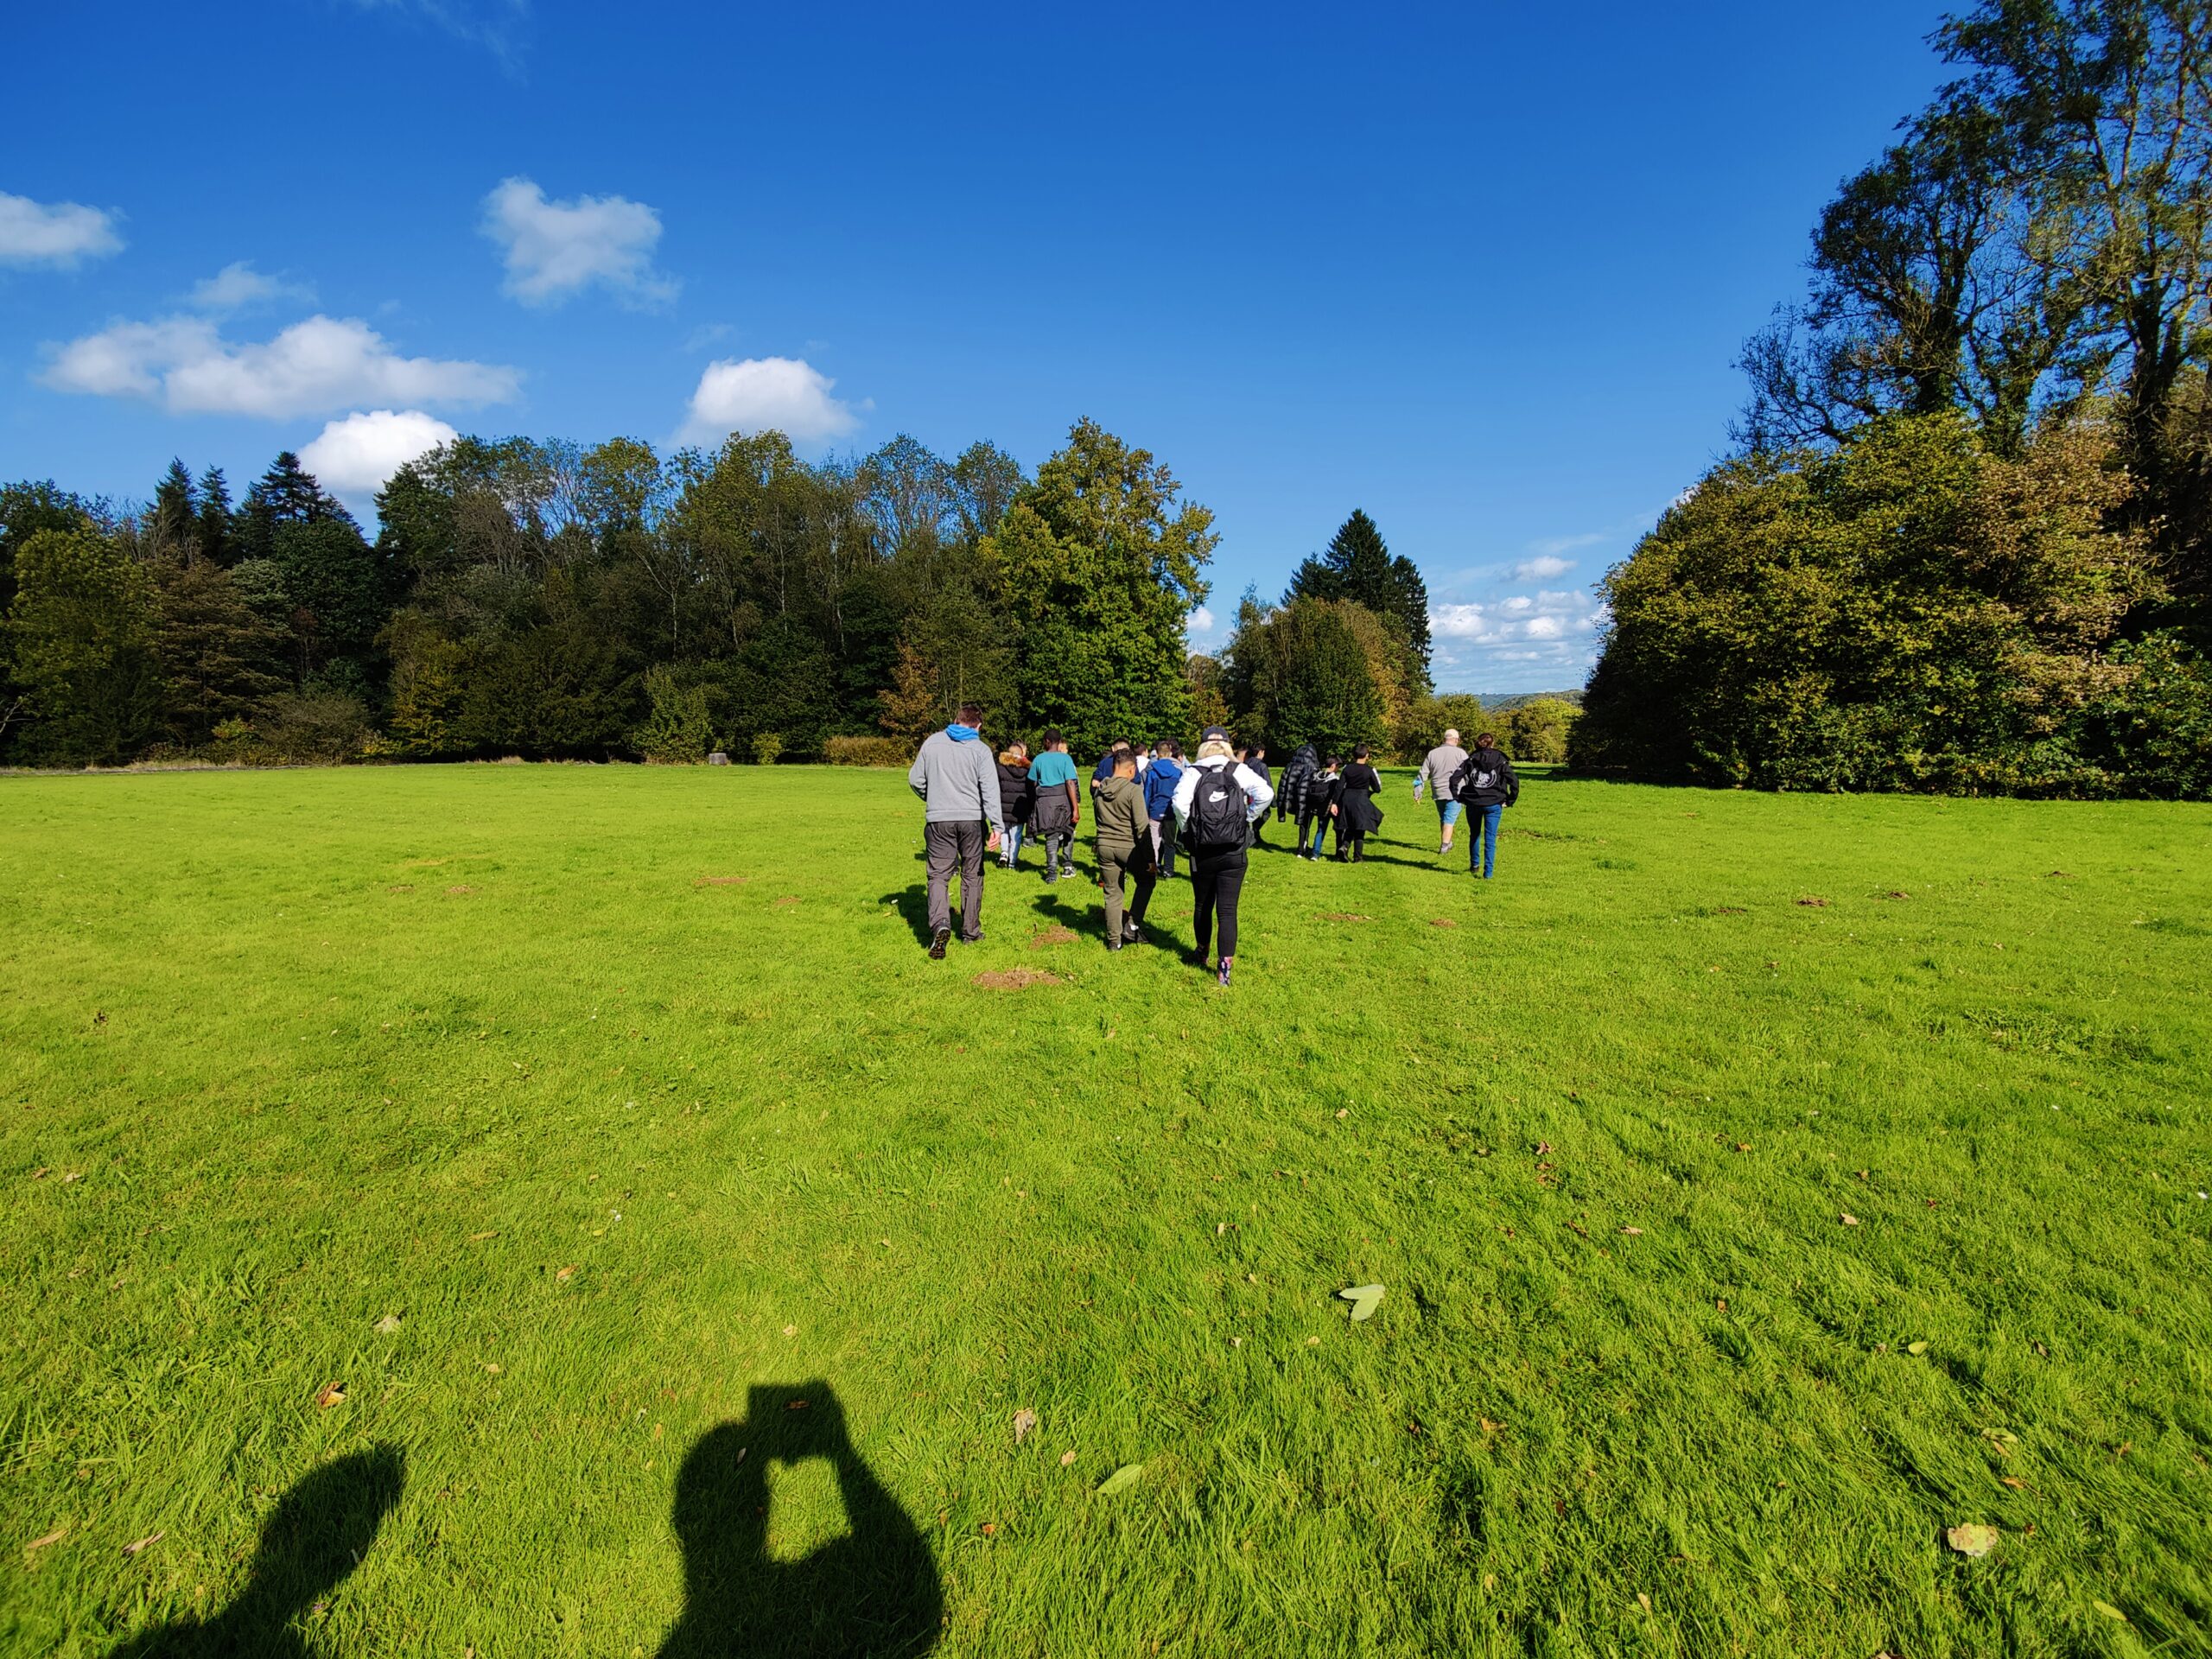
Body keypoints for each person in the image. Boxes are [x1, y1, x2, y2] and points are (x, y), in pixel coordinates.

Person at [1172, 726, 1274, 987]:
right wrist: (1246, 819)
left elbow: (1178, 803)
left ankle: (1201, 953)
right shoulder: (1238, 769)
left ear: (1203, 745)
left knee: (1202, 906)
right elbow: (1266, 794)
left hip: (1203, 850)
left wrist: (1188, 829)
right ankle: (1224, 972)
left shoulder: (1193, 771)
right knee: (1228, 911)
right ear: (1227, 745)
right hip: (1234, 849)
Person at [907, 702, 1005, 957]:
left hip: (939, 821)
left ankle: (941, 923)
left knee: (939, 875)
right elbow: (990, 790)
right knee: (972, 875)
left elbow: (915, 779)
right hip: (972, 821)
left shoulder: (932, 743)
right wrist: (997, 825)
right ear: (979, 725)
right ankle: (971, 932)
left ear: (956, 719)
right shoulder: (981, 751)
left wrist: (934, 797)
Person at [1092, 749, 1157, 950]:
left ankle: (1114, 942)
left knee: (1112, 893)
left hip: (1104, 846)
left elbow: (1097, 820)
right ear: (1131, 770)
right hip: (1127, 848)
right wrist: (1151, 860)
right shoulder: (1133, 790)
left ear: (1113, 767)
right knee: (1147, 880)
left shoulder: (1099, 791)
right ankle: (1132, 924)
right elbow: (1142, 828)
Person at [1450, 730, 1521, 880]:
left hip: (1473, 802)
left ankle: (1474, 865)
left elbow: (1454, 779)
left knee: (1474, 834)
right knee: (1490, 838)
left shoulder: (1471, 759)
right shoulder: (1501, 760)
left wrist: (1458, 796)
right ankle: (1488, 873)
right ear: (1493, 743)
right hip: (1494, 803)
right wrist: (1510, 800)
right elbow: (1514, 781)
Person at [1026, 729, 1081, 883]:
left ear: (1048, 741)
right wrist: (1075, 808)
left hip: (1045, 802)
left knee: (1051, 836)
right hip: (1064, 800)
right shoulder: (1066, 759)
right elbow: (1070, 782)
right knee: (1068, 832)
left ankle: (1051, 872)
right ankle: (1068, 865)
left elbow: (1031, 782)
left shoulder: (1038, 759)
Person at [1414, 728, 1470, 856]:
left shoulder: (1432, 753)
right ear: (1456, 740)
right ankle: (1444, 847)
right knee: (1449, 819)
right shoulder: (1461, 753)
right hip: (1455, 792)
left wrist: (1418, 792)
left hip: (1438, 791)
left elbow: (1422, 774)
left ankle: (1448, 842)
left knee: (1444, 818)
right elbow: (1468, 773)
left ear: (1444, 739)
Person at [1334, 744, 1385, 862]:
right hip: (1361, 800)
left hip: (1347, 799)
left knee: (1350, 825)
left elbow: (1339, 787)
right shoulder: (1369, 770)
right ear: (1367, 755)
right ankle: (1358, 857)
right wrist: (1369, 791)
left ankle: (1344, 847)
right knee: (1360, 828)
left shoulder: (1347, 768)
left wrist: (1334, 803)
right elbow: (1377, 788)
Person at [1142, 738, 1185, 878]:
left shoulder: (1152, 772)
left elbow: (1148, 793)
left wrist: (1145, 810)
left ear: (1158, 754)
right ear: (1170, 752)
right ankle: (1168, 870)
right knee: (1170, 843)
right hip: (1171, 811)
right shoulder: (1178, 772)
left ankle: (1152, 868)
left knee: (1154, 842)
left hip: (1155, 810)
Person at [995, 741, 1033, 869]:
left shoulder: (1000, 768)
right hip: (1020, 807)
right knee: (1016, 836)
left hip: (1003, 805)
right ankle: (1012, 862)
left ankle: (1004, 853)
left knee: (1004, 830)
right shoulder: (1028, 770)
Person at [1303, 755, 1342, 860]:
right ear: (1333, 766)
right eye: (1338, 766)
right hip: (1327, 808)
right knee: (1323, 830)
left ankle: (1309, 851)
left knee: (1312, 828)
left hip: (1314, 806)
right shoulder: (1335, 779)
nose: (1339, 769)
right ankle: (1318, 852)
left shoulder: (1317, 775)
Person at [1278, 742, 1317, 845]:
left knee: (1303, 824)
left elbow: (1282, 786)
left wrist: (1281, 810)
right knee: (1305, 823)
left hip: (1292, 798)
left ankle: (1302, 847)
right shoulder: (1310, 768)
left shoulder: (1290, 766)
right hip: (1306, 800)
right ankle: (1302, 846)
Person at [1242, 743, 1273, 844]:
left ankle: (1255, 835)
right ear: (1261, 752)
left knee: (1252, 812)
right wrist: (1273, 800)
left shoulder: (1245, 763)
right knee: (1267, 813)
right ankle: (1255, 831)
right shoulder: (1261, 766)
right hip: (1260, 793)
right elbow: (1267, 782)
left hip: (1248, 794)